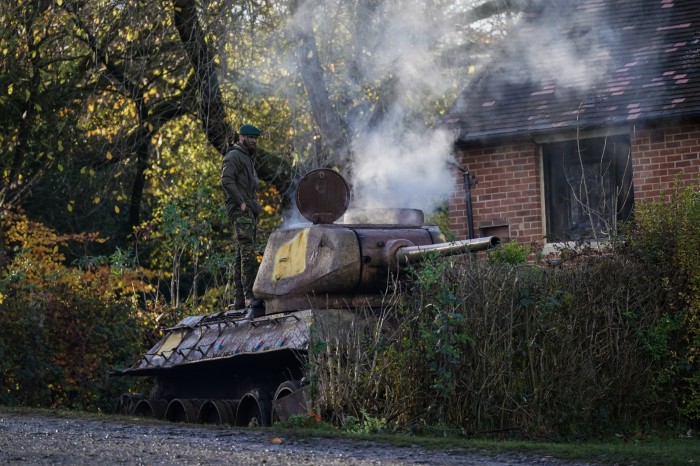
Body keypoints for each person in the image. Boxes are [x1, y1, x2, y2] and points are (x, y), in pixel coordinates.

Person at [221, 124, 263, 309]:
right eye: (250, 138)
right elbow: (226, 180)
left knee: (241, 253)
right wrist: (241, 202)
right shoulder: (233, 156)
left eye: (255, 138)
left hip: (248, 209)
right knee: (247, 253)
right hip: (240, 209)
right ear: (241, 137)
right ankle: (250, 295)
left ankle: (239, 299)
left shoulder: (247, 157)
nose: (253, 141)